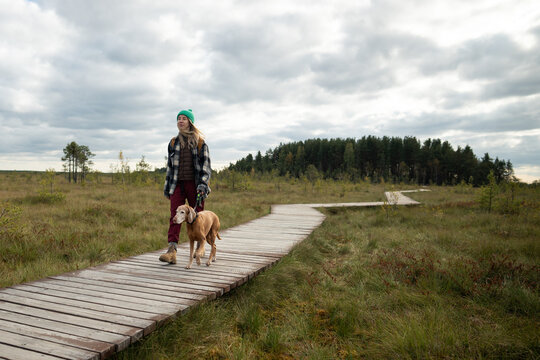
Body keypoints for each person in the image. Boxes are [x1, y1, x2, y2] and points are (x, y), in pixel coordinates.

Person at [159, 109, 212, 264]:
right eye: (179, 119)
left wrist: (203, 185)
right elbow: (169, 167)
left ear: (190, 122)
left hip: (195, 186)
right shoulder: (173, 143)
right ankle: (171, 252)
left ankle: (199, 248)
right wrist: (168, 187)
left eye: (184, 118)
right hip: (177, 184)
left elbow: (206, 167)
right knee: (174, 217)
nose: (180, 121)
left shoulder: (201, 143)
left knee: (198, 217)